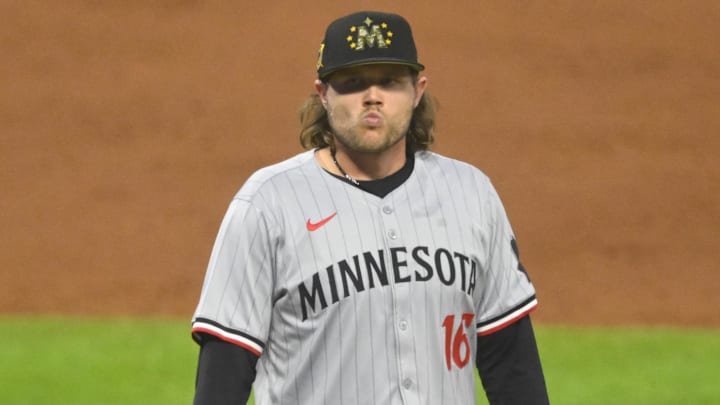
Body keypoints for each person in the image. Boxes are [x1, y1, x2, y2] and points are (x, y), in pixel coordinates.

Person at [191, 10, 549, 405]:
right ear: (323, 94)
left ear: (417, 90)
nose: (372, 96)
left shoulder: (471, 194)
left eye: (390, 81)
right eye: (353, 83)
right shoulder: (267, 204)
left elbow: (511, 362)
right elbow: (224, 371)